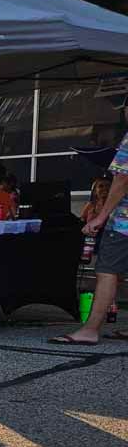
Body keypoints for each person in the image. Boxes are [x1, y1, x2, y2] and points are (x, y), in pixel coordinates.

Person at [51, 131, 128, 344]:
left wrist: (101, 216)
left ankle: (90, 330)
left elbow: (122, 178)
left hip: (124, 221)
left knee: (107, 271)